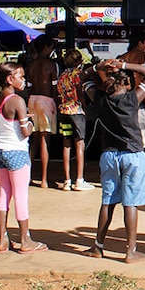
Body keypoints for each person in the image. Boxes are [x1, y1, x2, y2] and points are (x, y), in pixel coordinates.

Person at [82, 58, 145, 263]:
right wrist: (122, 65)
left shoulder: (99, 98)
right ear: (126, 83)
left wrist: (98, 68)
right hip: (132, 155)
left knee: (108, 201)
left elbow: (83, 77)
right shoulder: (132, 99)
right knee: (130, 203)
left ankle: (98, 246)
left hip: (109, 155)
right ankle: (130, 251)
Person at [0, 61, 47, 254]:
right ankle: (25, 240)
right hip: (16, 151)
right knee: (21, 195)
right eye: (20, 76)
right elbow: (25, 132)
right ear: (10, 79)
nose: (23, 80)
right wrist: (30, 122)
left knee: (4, 193)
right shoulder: (17, 100)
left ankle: (1, 239)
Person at [57, 49, 94, 191]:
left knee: (66, 145)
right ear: (78, 61)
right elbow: (79, 91)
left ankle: (67, 180)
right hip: (76, 110)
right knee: (79, 144)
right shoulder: (78, 74)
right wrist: (84, 106)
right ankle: (79, 179)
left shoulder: (62, 75)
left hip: (63, 110)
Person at [27, 35, 59, 188]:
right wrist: (55, 103)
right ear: (46, 48)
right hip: (46, 100)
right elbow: (54, 87)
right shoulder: (50, 65)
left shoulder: (31, 64)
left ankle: (27, 175)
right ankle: (44, 179)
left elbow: (28, 85)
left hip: (32, 100)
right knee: (44, 140)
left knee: (33, 139)